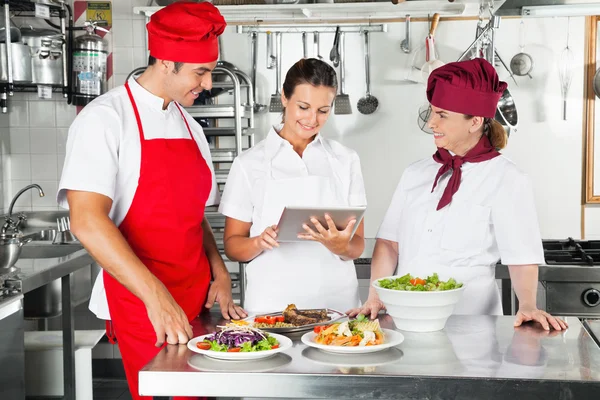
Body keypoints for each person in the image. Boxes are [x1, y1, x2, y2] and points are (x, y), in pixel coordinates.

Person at [57, 2, 246, 399]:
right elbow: (88, 221)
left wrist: (220, 270)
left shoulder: (190, 125)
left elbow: (192, 218)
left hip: (196, 303)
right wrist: (156, 297)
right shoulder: (105, 120)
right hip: (144, 305)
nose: (209, 84)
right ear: (165, 62)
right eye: (200, 72)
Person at [348, 58, 567, 331]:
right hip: (406, 319)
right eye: (431, 112)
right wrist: (375, 296)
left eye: (441, 115)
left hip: (473, 324)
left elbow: (520, 255)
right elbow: (389, 243)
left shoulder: (507, 178)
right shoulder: (415, 174)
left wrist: (527, 305)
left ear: (474, 121)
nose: (431, 123)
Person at [219, 58, 367, 313]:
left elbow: (358, 244)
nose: (312, 119)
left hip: (336, 306)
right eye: (303, 106)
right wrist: (258, 242)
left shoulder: (346, 159)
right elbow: (233, 246)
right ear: (284, 98)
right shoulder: (249, 163)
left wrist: (340, 246)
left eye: (323, 110)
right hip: (271, 308)